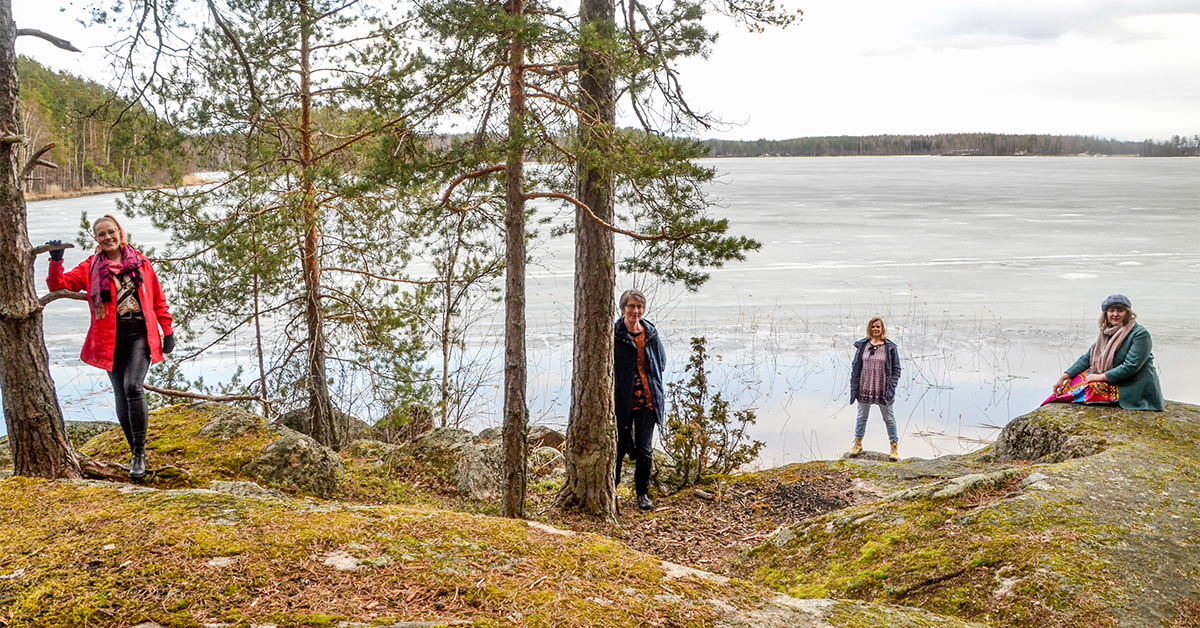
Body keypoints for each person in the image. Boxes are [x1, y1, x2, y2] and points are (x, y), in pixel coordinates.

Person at [46, 215, 175, 479]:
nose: (107, 237)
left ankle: (139, 451)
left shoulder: (141, 263)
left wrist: (168, 330)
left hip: (140, 334)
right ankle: (135, 453)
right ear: (96, 239)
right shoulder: (90, 267)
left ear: (120, 232)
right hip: (109, 338)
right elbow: (59, 286)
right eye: (101, 234)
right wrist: (56, 260)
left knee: (132, 387)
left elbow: (158, 301)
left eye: (111, 232)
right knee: (120, 392)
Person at [1046, 294, 1164, 412]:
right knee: (1073, 382)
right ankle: (1050, 403)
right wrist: (1065, 376)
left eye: (1120, 311)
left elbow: (1131, 366)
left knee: (1090, 387)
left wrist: (1100, 377)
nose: (1115, 314)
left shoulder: (1140, 334)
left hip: (1133, 386)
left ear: (1127, 313)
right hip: (1113, 379)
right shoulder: (1106, 333)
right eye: (1111, 311)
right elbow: (1088, 357)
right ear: (1106, 314)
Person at [614, 289, 666, 512]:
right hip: (621, 402)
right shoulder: (615, 334)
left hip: (647, 399)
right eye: (631, 306)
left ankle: (642, 494)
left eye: (639, 307)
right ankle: (611, 491)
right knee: (618, 447)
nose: (635, 311)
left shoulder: (650, 334)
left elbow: (660, 362)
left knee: (645, 450)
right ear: (623, 308)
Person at [848, 316, 902, 461]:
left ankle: (894, 447)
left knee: (889, 418)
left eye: (878, 327)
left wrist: (892, 386)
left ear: (882, 329)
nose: (875, 329)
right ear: (869, 329)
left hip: (882, 388)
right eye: (873, 327)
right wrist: (854, 384)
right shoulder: (863, 346)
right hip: (864, 386)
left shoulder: (889, 347)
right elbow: (856, 367)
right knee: (861, 417)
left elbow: (896, 369)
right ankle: (858, 444)